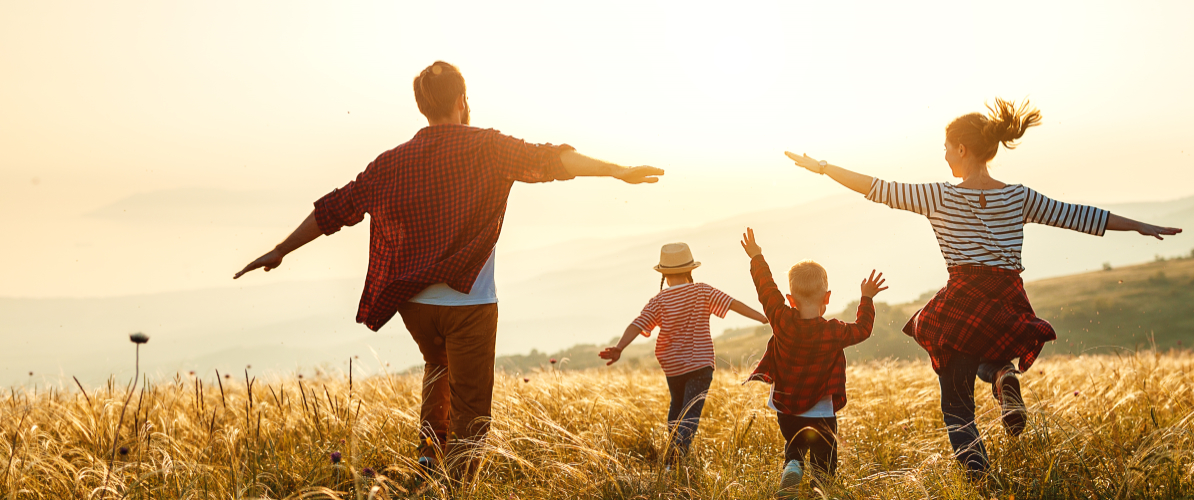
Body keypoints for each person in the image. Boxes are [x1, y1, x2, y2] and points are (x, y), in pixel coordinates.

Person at [233, 61, 663, 478]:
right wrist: (617, 171)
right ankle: (457, 487)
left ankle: (426, 464)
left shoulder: (391, 162)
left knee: (437, 370)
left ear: (423, 106)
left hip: (415, 306)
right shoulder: (488, 147)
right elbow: (551, 160)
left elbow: (337, 208)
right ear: (462, 100)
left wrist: (280, 249)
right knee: (472, 407)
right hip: (470, 304)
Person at [782, 98, 1181, 481]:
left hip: (963, 299)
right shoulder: (1018, 196)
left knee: (956, 405)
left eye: (945, 148)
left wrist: (823, 168)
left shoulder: (939, 195)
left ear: (961, 148)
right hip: (1008, 299)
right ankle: (1003, 373)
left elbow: (876, 187)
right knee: (981, 352)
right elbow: (1078, 215)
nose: (943, 156)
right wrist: (1140, 226)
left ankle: (981, 482)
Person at [738, 228, 880, 496]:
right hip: (822, 411)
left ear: (790, 299)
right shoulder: (834, 332)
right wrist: (867, 298)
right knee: (825, 459)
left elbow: (766, 288)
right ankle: (820, 490)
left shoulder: (781, 319)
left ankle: (792, 467)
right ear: (827, 298)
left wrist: (756, 256)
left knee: (794, 446)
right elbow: (863, 329)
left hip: (786, 406)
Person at [598, 242, 768, 467]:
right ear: (690, 270)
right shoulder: (702, 291)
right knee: (690, 414)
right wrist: (763, 317)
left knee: (677, 409)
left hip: (673, 367)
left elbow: (637, 324)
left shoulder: (658, 301)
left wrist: (619, 347)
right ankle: (675, 460)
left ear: (665, 275)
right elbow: (733, 304)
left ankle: (671, 459)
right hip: (700, 364)